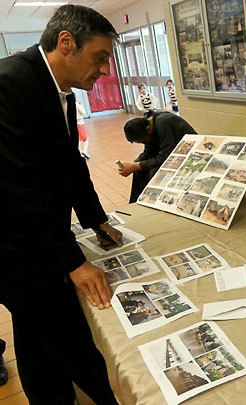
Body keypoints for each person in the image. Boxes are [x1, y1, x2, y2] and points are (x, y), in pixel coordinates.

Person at [0, 5, 123, 404]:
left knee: (34, 332)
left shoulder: (57, 88)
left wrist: (95, 219)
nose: (104, 70)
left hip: (34, 230)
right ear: (67, 43)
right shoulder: (10, 83)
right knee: (64, 329)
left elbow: (70, 163)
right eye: (100, 56)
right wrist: (73, 260)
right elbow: (18, 187)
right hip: (11, 240)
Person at [119, 110, 197, 202]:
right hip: (173, 154)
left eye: (143, 141)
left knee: (154, 172)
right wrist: (134, 165)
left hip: (188, 154)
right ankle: (138, 202)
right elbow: (149, 151)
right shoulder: (147, 126)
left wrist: (137, 165)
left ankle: (154, 201)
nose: (145, 143)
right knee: (138, 171)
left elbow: (166, 156)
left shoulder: (164, 123)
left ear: (148, 129)